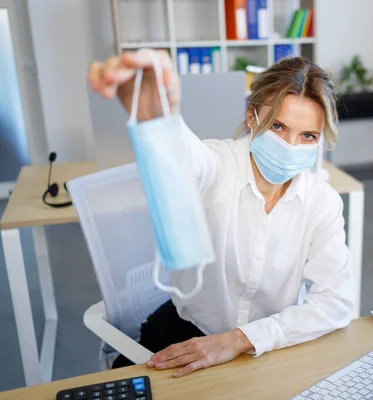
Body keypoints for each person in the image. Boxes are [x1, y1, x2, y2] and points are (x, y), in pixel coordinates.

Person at [87, 50, 354, 378]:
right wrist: (159, 119)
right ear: (253, 117)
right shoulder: (218, 163)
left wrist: (242, 339)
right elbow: (186, 160)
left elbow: (336, 302)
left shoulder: (321, 201)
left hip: (263, 347)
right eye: (278, 127)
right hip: (186, 333)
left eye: (307, 136)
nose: (290, 146)